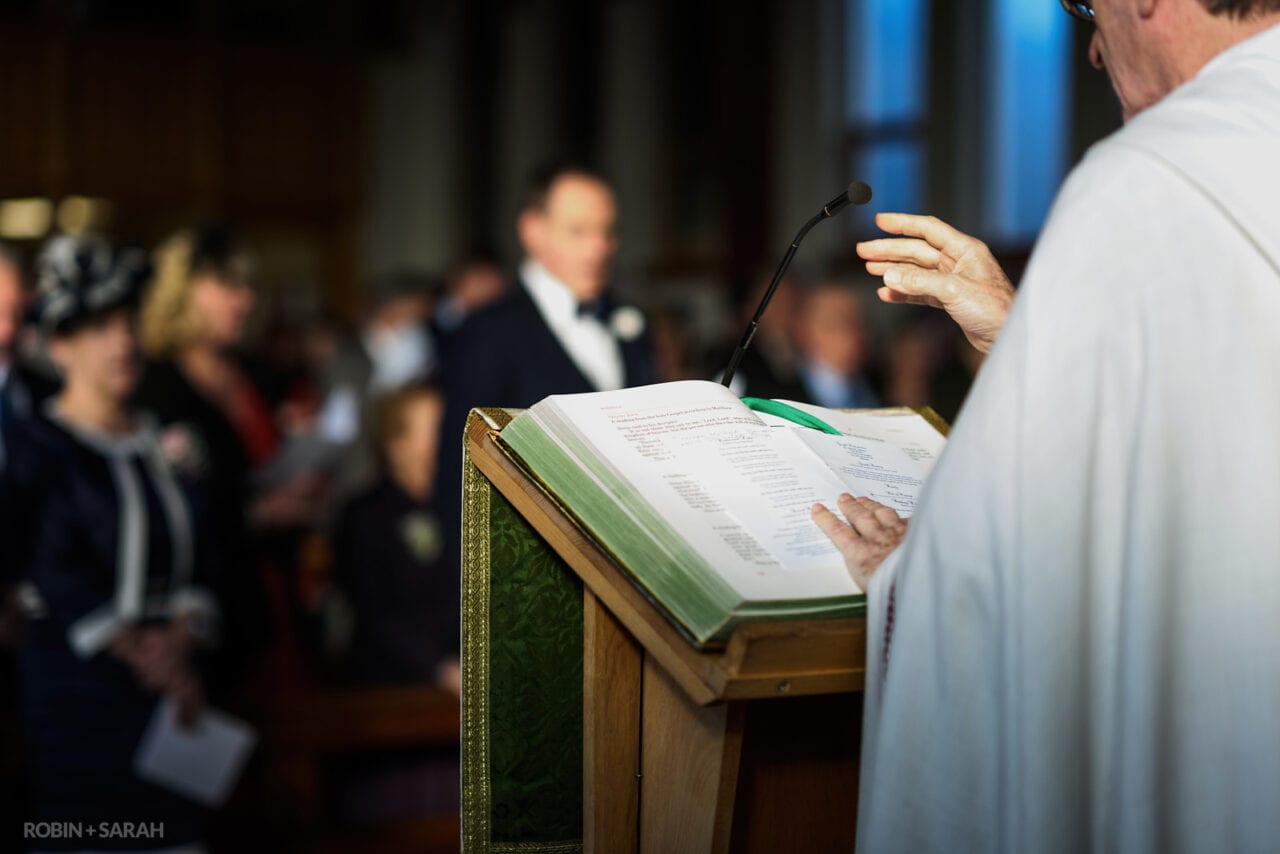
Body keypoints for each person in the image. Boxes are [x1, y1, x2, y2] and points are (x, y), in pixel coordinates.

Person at [810, 1, 1280, 850]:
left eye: (1089, 9)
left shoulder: (1147, 184)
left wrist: (915, 579)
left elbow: (1020, 587)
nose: (1094, 50)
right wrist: (1022, 326)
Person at [15, 236, 220, 848]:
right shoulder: (38, 444)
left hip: (175, 694)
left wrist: (183, 640)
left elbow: (207, 554)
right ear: (59, 347)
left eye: (126, 322)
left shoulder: (166, 440)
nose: (123, 341)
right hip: (79, 694)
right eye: (99, 328)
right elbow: (45, 564)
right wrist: (138, 648)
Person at [438, 164, 657, 543]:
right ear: (532, 231)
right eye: (579, 231)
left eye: (608, 231)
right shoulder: (486, 332)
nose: (599, 247)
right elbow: (460, 477)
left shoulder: (631, 325)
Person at [134, 224, 272, 696]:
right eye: (228, 285)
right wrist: (256, 513)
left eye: (246, 286)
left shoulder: (249, 373)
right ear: (183, 292)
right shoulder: (155, 386)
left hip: (265, 588)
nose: (244, 300)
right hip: (197, 610)